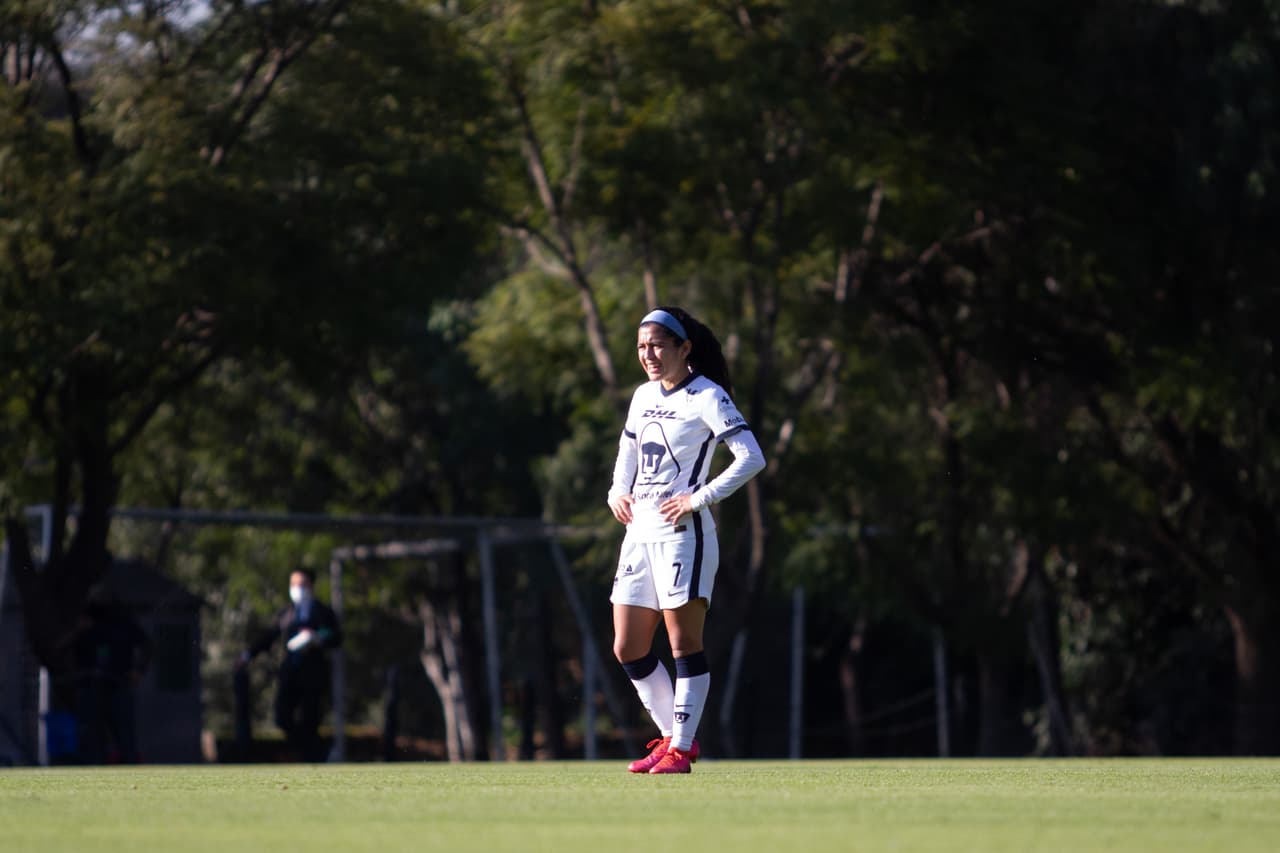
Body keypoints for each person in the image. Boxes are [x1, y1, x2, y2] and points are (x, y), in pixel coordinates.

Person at [608, 306, 766, 774]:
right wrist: (617, 491)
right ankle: (674, 739)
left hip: (684, 536)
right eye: (641, 347)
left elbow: (751, 457)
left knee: (683, 644)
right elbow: (628, 451)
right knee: (628, 647)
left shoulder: (707, 396)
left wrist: (698, 499)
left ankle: (681, 747)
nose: (648, 354)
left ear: (684, 347)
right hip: (640, 535)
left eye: (657, 344)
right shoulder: (641, 396)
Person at [238, 568, 343, 762]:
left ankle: (315, 760)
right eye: (293, 584)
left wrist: (316, 638)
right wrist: (247, 655)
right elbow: (269, 637)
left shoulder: (323, 612)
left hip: (314, 675)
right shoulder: (287, 613)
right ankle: (318, 754)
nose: (297, 589)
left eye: (301, 584)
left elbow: (336, 636)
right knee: (282, 717)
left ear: (311, 586)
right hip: (290, 673)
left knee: (310, 721)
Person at [73, 582, 152, 764]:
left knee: (125, 738)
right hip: (91, 687)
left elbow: (147, 646)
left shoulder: (123, 622)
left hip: (118, 685)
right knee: (91, 739)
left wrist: (138, 670)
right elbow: (67, 648)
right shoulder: (86, 622)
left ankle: (130, 774)